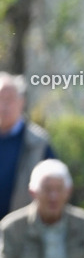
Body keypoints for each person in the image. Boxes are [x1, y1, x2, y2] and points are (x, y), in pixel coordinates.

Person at [0, 72, 56, 218]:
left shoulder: (38, 142)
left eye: (9, 99)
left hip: (22, 232)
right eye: (0, 99)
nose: (4, 106)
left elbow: (53, 188)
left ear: (21, 102)